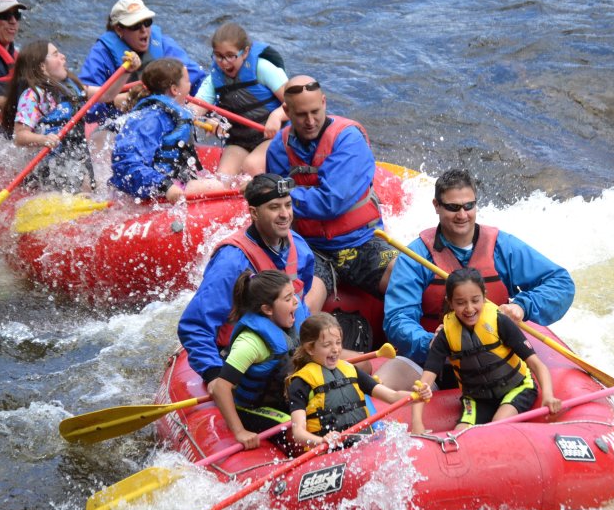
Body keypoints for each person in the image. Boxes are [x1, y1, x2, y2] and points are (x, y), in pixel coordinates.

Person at [383, 168, 575, 373]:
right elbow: (398, 319)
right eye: (453, 207)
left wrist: (522, 306)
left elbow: (561, 282)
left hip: (496, 357)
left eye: (469, 206)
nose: (462, 215)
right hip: (436, 362)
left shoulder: (503, 247)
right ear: (436, 206)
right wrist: (433, 342)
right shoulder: (415, 257)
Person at [177, 172, 326, 386]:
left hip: (287, 352)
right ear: (254, 213)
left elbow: (299, 305)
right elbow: (194, 325)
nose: (285, 214)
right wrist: (214, 375)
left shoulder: (299, 247)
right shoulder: (231, 261)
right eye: (274, 207)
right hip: (243, 359)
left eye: (287, 205)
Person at [265, 75, 398, 300]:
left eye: (315, 111)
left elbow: (331, 202)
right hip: (309, 247)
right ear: (287, 111)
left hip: (361, 241)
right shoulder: (279, 148)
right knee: (294, 303)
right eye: (301, 114)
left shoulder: (349, 140)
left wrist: (279, 195)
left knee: (405, 278)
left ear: (324, 102)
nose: (310, 121)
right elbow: (274, 208)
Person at [416, 268, 562, 431]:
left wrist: (548, 395)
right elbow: (424, 384)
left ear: (484, 297)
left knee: (496, 426)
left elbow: (537, 365)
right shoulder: (445, 335)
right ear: (450, 302)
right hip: (477, 398)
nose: (469, 309)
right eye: (460, 302)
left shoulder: (500, 322)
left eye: (475, 300)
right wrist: (417, 423)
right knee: (459, 435)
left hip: (517, 387)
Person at [0, 40, 140, 191]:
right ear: (42, 67)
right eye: (55, 55)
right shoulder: (33, 96)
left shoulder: (73, 88)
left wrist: (126, 72)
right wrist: (43, 139)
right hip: (48, 167)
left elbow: (107, 94)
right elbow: (20, 136)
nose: (63, 57)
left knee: (87, 186)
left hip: (76, 159)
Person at [286, 313, 429, 449]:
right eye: (327, 345)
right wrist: (322, 441)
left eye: (338, 343)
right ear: (310, 348)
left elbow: (393, 396)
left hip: (363, 444)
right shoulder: (301, 382)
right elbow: (298, 433)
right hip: (328, 451)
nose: (335, 349)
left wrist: (417, 396)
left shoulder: (351, 370)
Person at [210, 269, 309, 452]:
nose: (296, 301)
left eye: (293, 294)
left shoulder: (293, 319)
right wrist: (240, 431)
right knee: (297, 431)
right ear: (267, 309)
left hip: (286, 398)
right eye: (287, 299)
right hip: (255, 407)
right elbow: (220, 387)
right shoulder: (251, 342)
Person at [108, 58, 227, 201]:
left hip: (166, 183)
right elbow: (126, 162)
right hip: (157, 188)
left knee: (213, 182)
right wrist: (164, 185)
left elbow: (179, 130)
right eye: (188, 81)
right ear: (175, 89)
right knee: (216, 187)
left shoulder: (169, 113)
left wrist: (205, 124)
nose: (190, 85)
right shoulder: (150, 119)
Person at [80, 0, 207, 130]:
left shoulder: (163, 44)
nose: (144, 30)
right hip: (121, 123)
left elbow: (197, 79)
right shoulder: (101, 54)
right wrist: (113, 102)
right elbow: (86, 104)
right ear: (118, 29)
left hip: (164, 117)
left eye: (147, 22)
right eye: (135, 25)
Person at [191, 22, 288, 176]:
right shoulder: (214, 79)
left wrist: (277, 116)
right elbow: (195, 108)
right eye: (219, 56)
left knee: (252, 166)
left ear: (245, 52)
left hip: (273, 137)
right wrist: (200, 120)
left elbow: (294, 102)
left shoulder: (263, 68)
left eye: (230, 56)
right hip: (240, 141)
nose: (224, 63)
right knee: (223, 177)